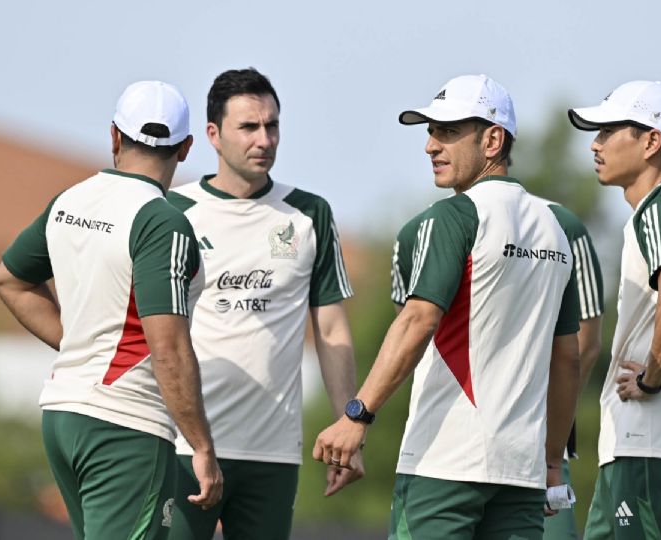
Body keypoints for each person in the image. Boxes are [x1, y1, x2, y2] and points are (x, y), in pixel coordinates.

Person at [314, 74, 581, 539]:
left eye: (449, 131)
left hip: (445, 463)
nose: (430, 146)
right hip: (521, 474)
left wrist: (357, 414)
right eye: (430, 131)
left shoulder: (453, 216)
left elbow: (418, 319)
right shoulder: (556, 227)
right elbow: (569, 358)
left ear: (493, 140)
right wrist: (552, 461)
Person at [0, 80, 223, 540]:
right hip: (124, 423)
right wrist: (201, 446)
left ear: (114, 136)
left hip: (62, 414)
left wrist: (77, 341)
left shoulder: (69, 201)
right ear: (186, 148)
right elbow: (169, 348)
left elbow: (10, 281)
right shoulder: (162, 220)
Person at [165, 68, 360, 540]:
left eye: (272, 126)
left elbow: (332, 331)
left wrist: (348, 429)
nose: (264, 139)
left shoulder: (310, 212)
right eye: (249, 127)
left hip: (274, 452)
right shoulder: (173, 210)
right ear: (212, 134)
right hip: (186, 447)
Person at [567, 80, 661, 539]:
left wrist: (652, 378)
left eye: (610, 131)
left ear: (652, 141)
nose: (595, 144)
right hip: (647, 445)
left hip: (650, 441)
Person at [541, 201, 605, 540]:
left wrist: (551, 434)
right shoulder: (421, 229)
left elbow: (586, 343)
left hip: (542, 448)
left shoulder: (563, 224)